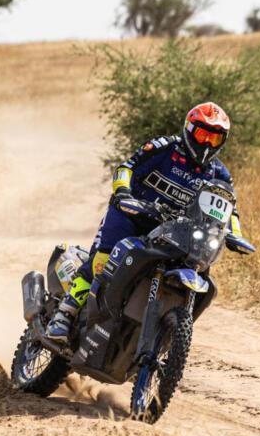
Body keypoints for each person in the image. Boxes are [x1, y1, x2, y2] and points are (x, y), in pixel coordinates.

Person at [45, 101, 246, 343]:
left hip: (174, 231)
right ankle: (64, 315)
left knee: (197, 267)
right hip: (130, 214)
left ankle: (162, 336)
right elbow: (127, 168)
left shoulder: (219, 174)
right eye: (203, 135)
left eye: (214, 139)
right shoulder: (165, 148)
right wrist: (123, 192)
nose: (206, 144)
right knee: (103, 261)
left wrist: (234, 235)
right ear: (189, 129)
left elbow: (229, 211)